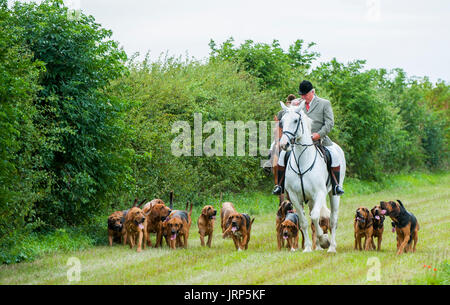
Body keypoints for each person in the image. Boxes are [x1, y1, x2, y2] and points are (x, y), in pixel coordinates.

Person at [273, 80, 344, 196]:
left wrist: (319, 134)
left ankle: (336, 186)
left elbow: (330, 123)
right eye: (301, 95)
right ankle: (280, 186)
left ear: (313, 92)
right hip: (300, 142)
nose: (303, 97)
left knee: (334, 156)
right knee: (282, 156)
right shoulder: (298, 104)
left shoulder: (324, 103)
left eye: (305, 95)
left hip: (319, 140)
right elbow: (281, 116)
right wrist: (290, 106)